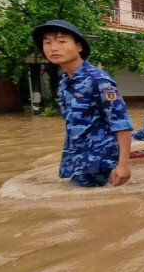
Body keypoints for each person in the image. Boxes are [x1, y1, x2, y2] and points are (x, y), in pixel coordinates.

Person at [32, 20, 133, 187]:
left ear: (78, 46)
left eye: (61, 41)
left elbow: (122, 123)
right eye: (47, 43)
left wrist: (123, 165)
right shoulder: (65, 82)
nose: (53, 48)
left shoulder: (98, 79)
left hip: (99, 161)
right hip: (75, 160)